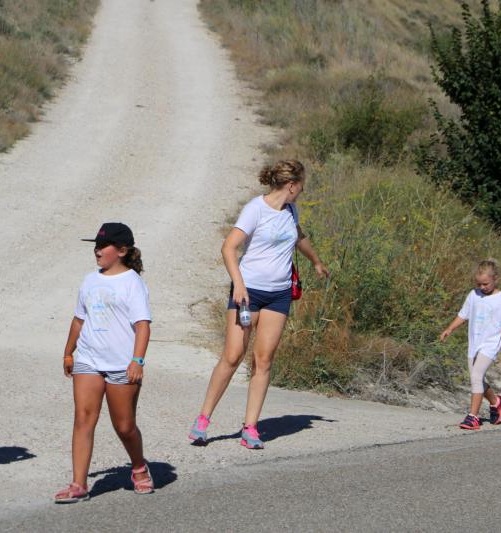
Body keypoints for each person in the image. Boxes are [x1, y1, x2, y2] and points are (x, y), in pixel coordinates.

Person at [188, 160, 329, 449]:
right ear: (291, 185)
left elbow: (298, 237)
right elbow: (229, 247)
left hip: (279, 294)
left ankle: (250, 427)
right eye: (301, 186)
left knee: (263, 360)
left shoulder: (291, 210)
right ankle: (203, 419)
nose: (301, 191)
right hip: (248, 292)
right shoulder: (256, 208)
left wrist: (316, 261)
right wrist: (238, 283)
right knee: (233, 355)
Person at [54, 222, 153, 503]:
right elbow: (78, 319)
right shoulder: (90, 280)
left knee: (124, 426)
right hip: (88, 358)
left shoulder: (133, 283)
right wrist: (69, 351)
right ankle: (78, 484)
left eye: (103, 246)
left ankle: (139, 467)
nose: (97, 251)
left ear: (122, 250)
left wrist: (137, 360)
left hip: (122, 363)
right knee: (83, 419)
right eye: (95, 245)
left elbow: (143, 326)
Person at [440, 259, 501, 430]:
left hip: (490, 345)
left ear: (496, 279)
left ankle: (472, 417)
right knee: (477, 379)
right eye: (479, 284)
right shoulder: (473, 295)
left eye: (486, 284)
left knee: (476, 377)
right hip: (474, 344)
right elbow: (463, 315)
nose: (482, 287)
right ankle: (496, 402)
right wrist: (449, 329)